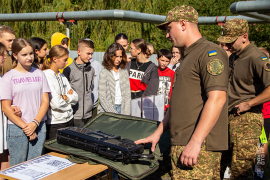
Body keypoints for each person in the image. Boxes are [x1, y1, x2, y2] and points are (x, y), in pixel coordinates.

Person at [135, 5, 229, 180]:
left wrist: (195, 142)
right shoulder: (189, 56)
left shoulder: (210, 53)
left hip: (199, 148)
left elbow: (217, 99)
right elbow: (179, 102)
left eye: (169, 28)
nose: (167, 35)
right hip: (183, 143)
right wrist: (158, 133)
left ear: (183, 24)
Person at [217, 19, 270, 179]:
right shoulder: (235, 56)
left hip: (247, 120)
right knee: (222, 164)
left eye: (231, 41)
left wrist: (249, 103)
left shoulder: (256, 57)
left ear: (244, 36)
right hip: (228, 117)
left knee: (242, 169)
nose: (228, 46)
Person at [1, 38, 50, 166]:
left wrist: (35, 123)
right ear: (15, 55)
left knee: (36, 165)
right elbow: (6, 107)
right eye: (24, 54)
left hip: (38, 126)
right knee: (18, 167)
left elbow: (45, 101)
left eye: (31, 53)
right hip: (17, 128)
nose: (29, 57)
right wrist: (26, 127)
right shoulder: (8, 77)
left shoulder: (40, 74)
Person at [43, 45, 78, 139]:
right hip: (56, 123)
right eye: (65, 60)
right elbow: (56, 103)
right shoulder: (46, 76)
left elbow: (75, 97)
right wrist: (69, 105)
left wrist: (65, 97)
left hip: (69, 120)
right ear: (55, 59)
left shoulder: (62, 76)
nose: (66, 63)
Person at [63, 38, 95, 127]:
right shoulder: (69, 70)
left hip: (89, 115)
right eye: (88, 53)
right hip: (75, 115)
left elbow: (90, 89)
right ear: (78, 52)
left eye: (92, 54)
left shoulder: (91, 70)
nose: (90, 56)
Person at [98, 43, 130, 115]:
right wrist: (112, 112)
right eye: (116, 56)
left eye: (121, 56)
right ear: (110, 56)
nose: (119, 59)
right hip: (107, 110)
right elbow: (102, 96)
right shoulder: (104, 73)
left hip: (122, 108)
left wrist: (126, 113)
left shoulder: (124, 72)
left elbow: (127, 95)